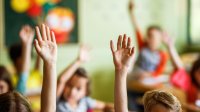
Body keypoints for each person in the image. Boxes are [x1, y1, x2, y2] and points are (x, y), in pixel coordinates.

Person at [110, 34, 182, 112]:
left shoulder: (162, 54)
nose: (150, 40)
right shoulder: (144, 49)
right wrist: (121, 70)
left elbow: (161, 70)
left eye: (153, 37)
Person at [0, 24, 57, 112]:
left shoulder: (16, 99)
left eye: (1, 87)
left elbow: (24, 75)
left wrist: (50, 63)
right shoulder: (14, 99)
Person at [56, 45, 114, 112]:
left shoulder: (85, 101)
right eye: (69, 85)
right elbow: (61, 80)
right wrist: (78, 61)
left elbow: (105, 105)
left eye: (78, 89)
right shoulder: (58, 101)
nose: (72, 91)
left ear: (85, 92)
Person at [128, 1, 168, 79]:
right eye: (147, 35)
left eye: (151, 36)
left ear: (160, 39)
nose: (147, 38)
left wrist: (148, 75)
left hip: (148, 83)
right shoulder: (143, 46)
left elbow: (158, 72)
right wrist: (131, 12)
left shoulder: (163, 55)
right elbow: (136, 28)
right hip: (134, 81)